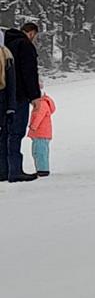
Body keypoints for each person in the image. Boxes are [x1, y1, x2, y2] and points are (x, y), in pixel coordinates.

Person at [2, 22, 42, 181]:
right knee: (16, 132)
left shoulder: (5, 44)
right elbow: (29, 72)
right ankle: (15, 170)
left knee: (4, 132)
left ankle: (3, 170)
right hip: (19, 95)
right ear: (31, 33)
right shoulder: (25, 45)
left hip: (4, 95)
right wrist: (35, 96)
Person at [0, 38, 20, 181]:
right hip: (3, 100)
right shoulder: (6, 56)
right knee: (3, 137)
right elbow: (11, 83)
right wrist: (11, 107)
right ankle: (3, 170)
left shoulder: (6, 56)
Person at [27, 88, 55, 177]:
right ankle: (40, 169)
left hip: (41, 133)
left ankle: (43, 170)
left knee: (40, 152)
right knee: (37, 152)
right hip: (39, 133)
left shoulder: (42, 104)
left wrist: (33, 126)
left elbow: (39, 116)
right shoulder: (40, 104)